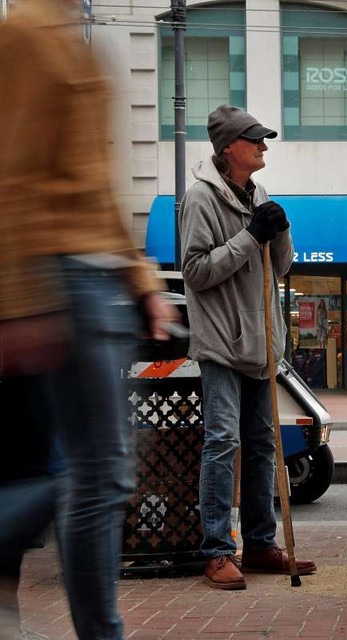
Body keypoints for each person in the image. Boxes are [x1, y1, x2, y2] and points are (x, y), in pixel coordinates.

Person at [0, 1, 180, 637]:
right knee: (101, 472)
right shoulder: (25, 31)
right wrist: (21, 301)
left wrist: (140, 277)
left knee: (101, 470)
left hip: (96, 276)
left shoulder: (75, 34)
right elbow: (13, 174)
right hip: (64, 275)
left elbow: (100, 183)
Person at [180, 105, 315, 590]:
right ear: (228, 147)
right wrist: (248, 235)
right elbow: (195, 271)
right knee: (222, 444)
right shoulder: (200, 199)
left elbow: (281, 268)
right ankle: (217, 550)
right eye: (254, 140)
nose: (263, 147)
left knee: (263, 446)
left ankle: (260, 545)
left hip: (260, 346)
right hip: (221, 342)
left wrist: (279, 230)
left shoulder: (259, 192)